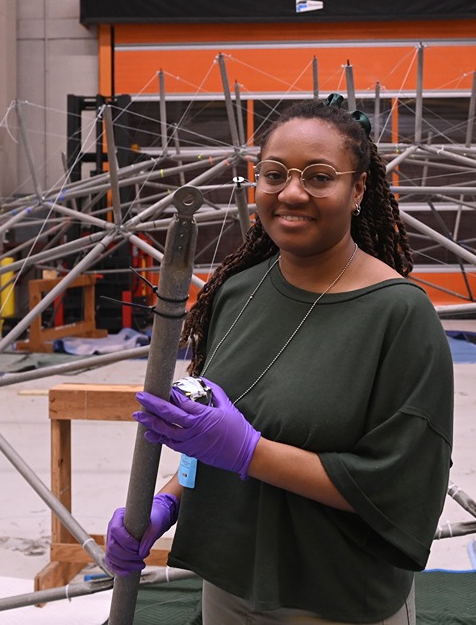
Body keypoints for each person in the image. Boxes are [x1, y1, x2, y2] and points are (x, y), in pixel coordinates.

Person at [105, 94, 454, 623]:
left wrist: (250, 452)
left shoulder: (399, 316)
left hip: (335, 599)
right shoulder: (236, 293)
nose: (291, 192)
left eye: (319, 177)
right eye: (274, 174)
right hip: (227, 585)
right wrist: (169, 502)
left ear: (357, 189)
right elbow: (212, 433)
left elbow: (403, 485)